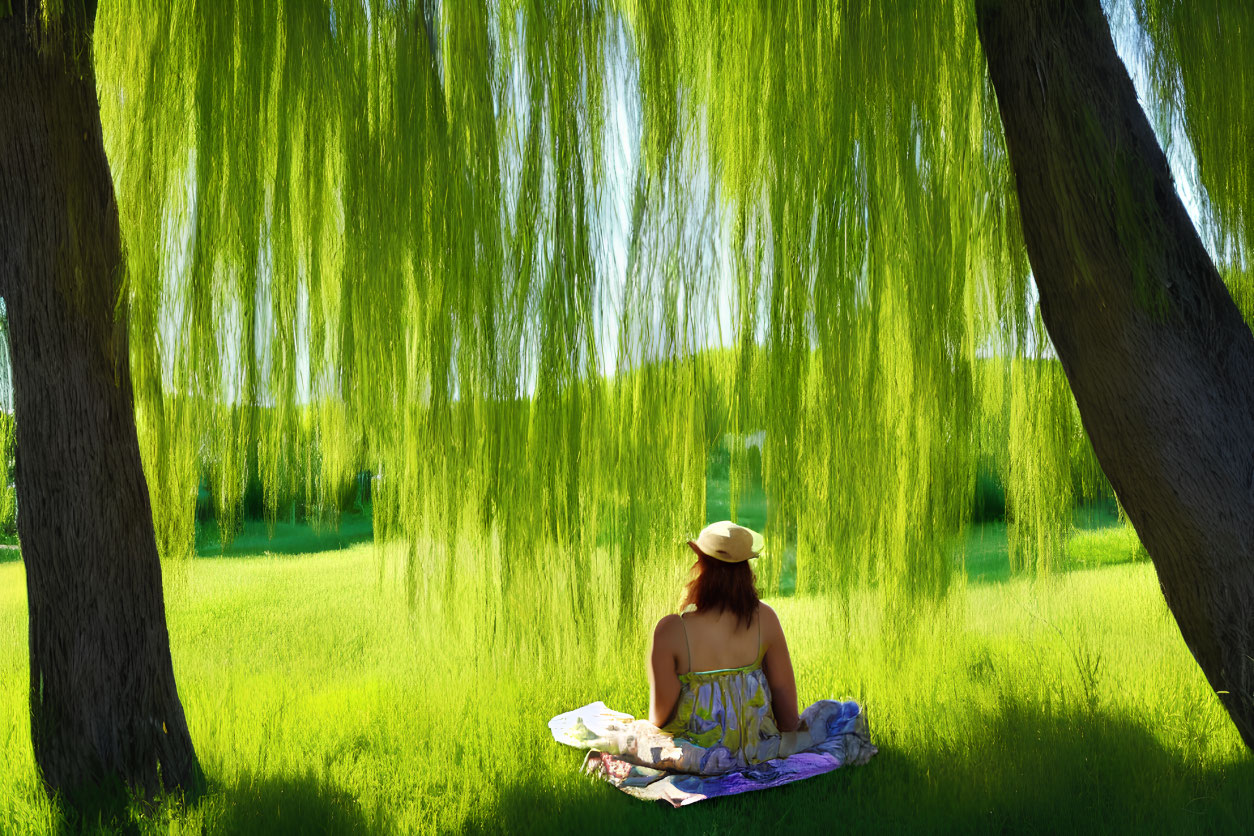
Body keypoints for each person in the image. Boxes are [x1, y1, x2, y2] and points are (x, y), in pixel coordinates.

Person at [548, 520, 875, 804]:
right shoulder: (766, 620)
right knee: (837, 714)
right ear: (746, 570)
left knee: (633, 736)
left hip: (700, 756)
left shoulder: (672, 630)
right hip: (757, 750)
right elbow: (788, 717)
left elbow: (660, 718)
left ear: (701, 567)